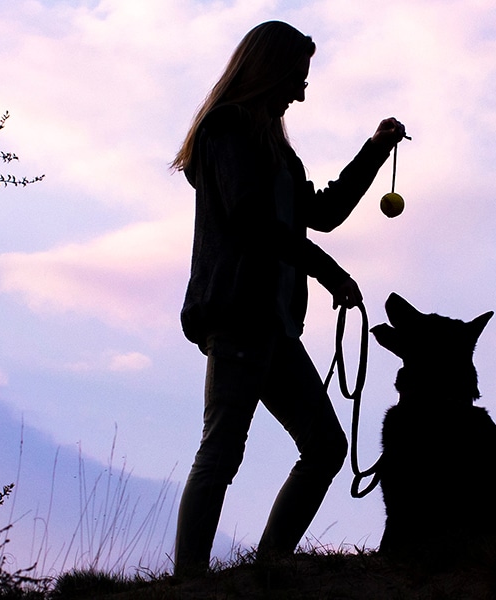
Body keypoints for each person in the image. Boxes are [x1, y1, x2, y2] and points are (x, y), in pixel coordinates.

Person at [168, 20, 407, 576]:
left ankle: (270, 564)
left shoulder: (276, 149)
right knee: (223, 450)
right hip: (238, 316)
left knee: (324, 446)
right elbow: (252, 221)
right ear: (269, 71)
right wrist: (326, 272)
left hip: (272, 324)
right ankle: (189, 582)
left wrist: (374, 151)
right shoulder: (226, 131)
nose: (301, 92)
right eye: (297, 77)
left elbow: (320, 214)